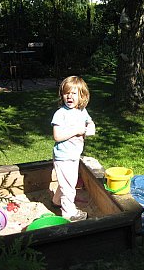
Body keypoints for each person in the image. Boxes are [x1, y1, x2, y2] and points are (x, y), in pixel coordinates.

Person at [51, 76, 96, 222]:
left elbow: (89, 122)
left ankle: (56, 201)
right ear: (62, 95)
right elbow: (57, 136)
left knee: (66, 182)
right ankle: (69, 213)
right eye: (66, 93)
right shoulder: (60, 114)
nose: (69, 96)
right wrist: (77, 130)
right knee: (69, 186)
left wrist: (91, 127)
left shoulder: (82, 111)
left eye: (74, 93)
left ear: (82, 95)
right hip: (63, 156)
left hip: (74, 155)